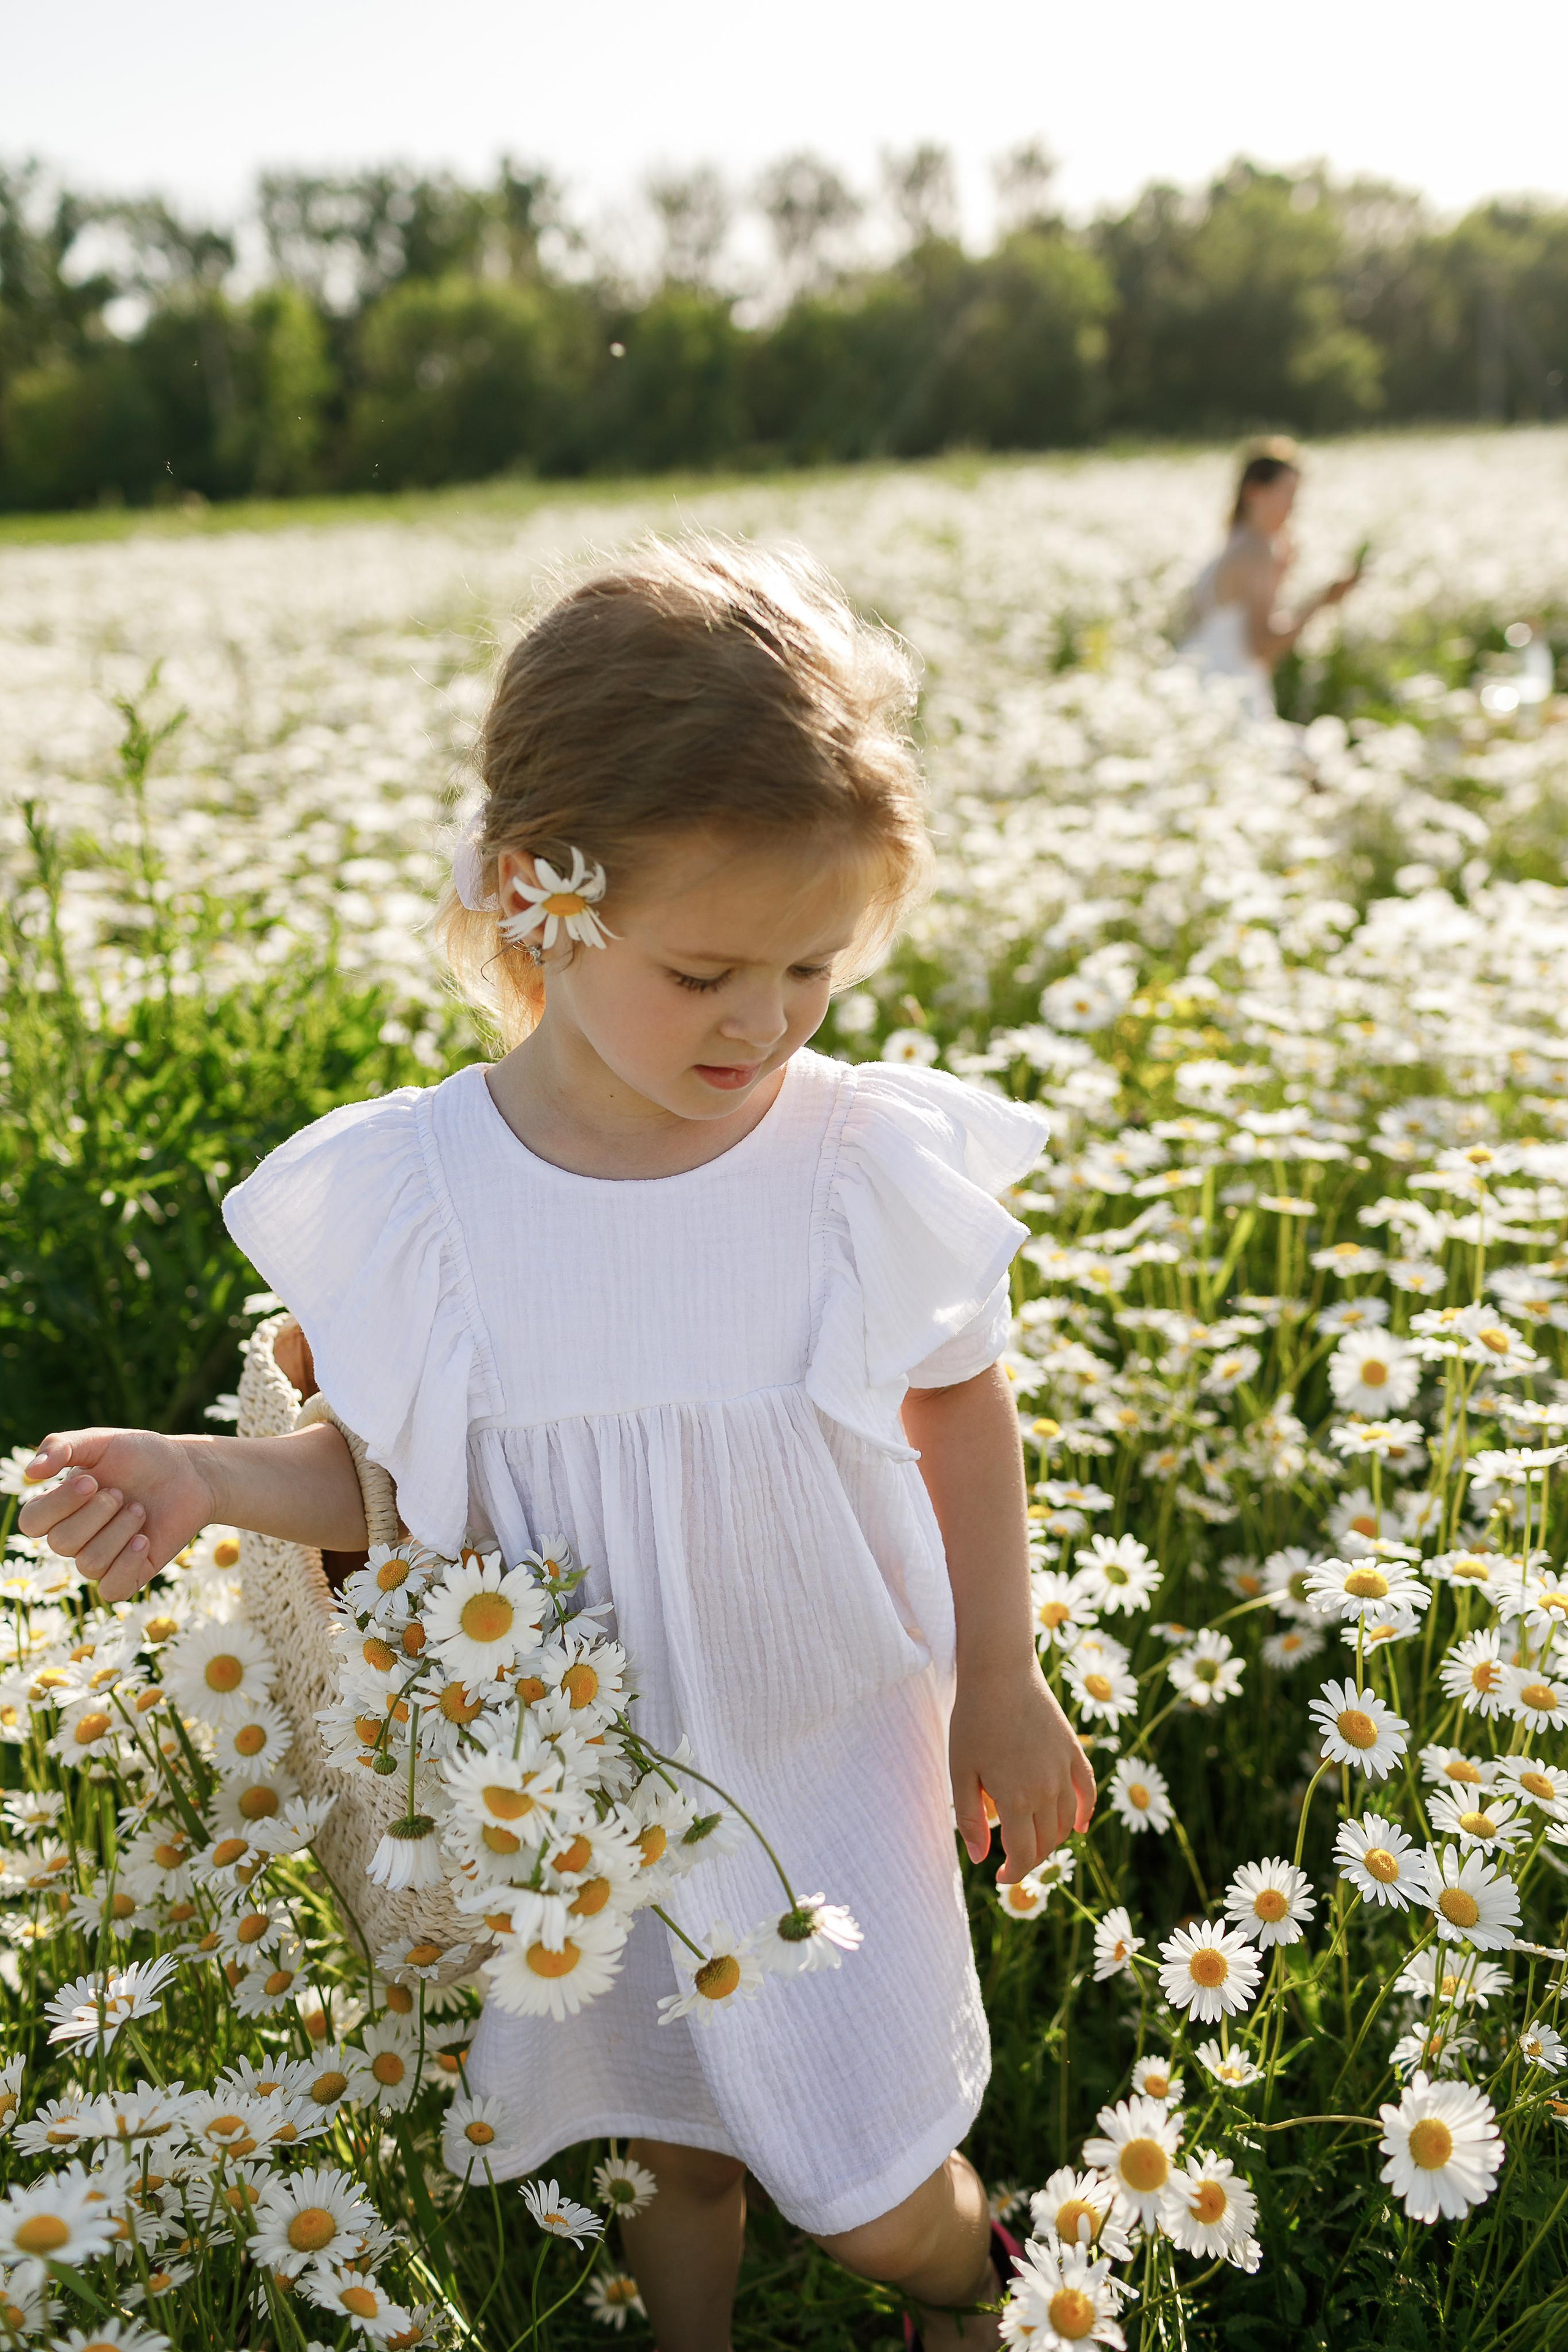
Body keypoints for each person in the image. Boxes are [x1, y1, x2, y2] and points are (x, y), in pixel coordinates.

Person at [20, 535, 1096, 2352]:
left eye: (810, 969)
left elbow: (956, 1397)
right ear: (541, 896)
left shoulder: (843, 1164)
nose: (761, 1023)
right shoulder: (428, 1196)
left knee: (868, 2176)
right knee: (665, 2143)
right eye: (705, 972)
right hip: (577, 1779)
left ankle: (967, 2285)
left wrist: (1004, 1672)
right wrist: (210, 1480)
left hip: (825, 1745)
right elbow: (382, 1478)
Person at [1177, 435, 1363, 718]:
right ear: (1255, 492)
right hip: (1230, 701)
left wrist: (1281, 575)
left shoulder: (1237, 543)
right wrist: (1324, 600)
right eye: (1287, 493)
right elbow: (1262, 647)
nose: (1294, 506)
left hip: (1202, 692)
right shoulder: (1256, 550)